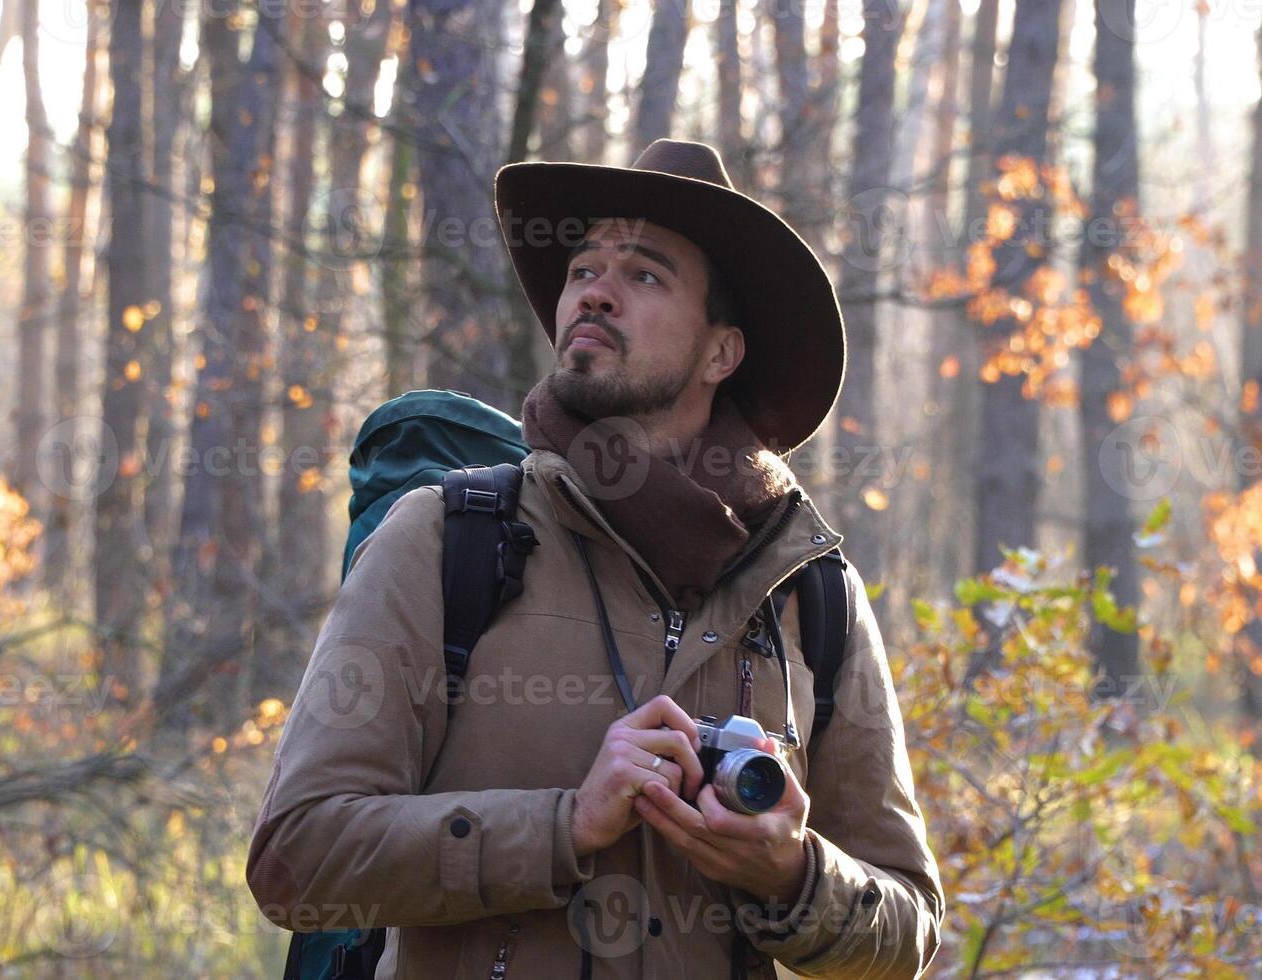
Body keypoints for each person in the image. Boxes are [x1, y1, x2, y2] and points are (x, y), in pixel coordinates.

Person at [248, 139, 943, 978]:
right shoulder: (444, 538)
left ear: (721, 354)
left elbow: (908, 931)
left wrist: (793, 876)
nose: (596, 293)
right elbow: (297, 858)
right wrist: (564, 825)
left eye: (644, 275)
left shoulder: (812, 592)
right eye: (583, 271)